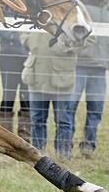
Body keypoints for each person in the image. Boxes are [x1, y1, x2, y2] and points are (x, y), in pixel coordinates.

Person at [20, 32, 91, 160]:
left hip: (61, 77)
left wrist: (68, 46)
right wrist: (31, 41)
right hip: (37, 75)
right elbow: (24, 30)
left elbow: (90, 35)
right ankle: (37, 156)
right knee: (37, 119)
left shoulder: (76, 10)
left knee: (63, 120)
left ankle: (63, 155)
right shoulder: (37, 10)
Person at [72, 0, 109, 158]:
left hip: (100, 67)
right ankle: (64, 146)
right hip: (79, 65)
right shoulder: (79, 3)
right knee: (69, 106)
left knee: (96, 108)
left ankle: (89, 145)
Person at [0, 30, 31, 142]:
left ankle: (25, 135)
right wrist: (11, 35)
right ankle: (6, 136)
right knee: (8, 95)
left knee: (26, 95)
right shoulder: (6, 10)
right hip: (8, 55)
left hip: (28, 57)